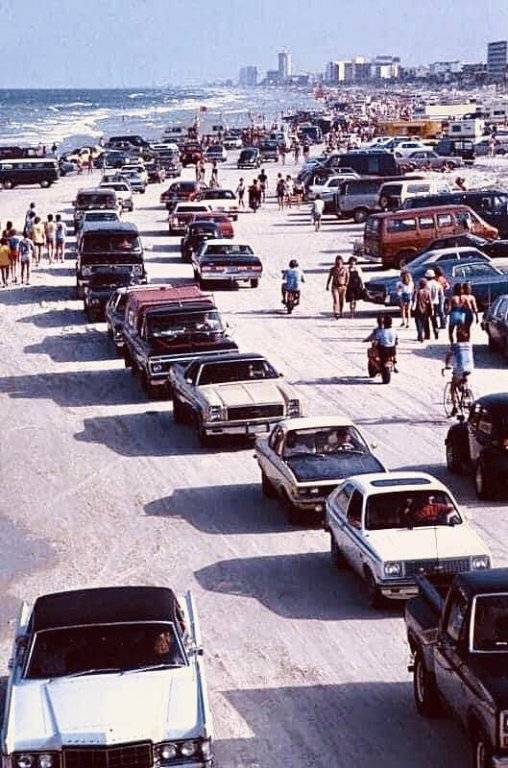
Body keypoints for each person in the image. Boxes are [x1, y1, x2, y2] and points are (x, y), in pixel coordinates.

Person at [444, 330, 474, 416]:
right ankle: (466, 390)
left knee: (453, 388)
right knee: (464, 375)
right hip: (470, 367)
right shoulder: (470, 345)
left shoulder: (455, 346)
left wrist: (447, 365)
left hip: (460, 368)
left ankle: (455, 408)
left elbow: (449, 356)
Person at [425, 268, 444, 340]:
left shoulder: (426, 284)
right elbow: (441, 294)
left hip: (428, 303)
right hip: (436, 302)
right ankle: (436, 334)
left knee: (426, 319)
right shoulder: (437, 284)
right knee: (434, 319)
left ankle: (427, 335)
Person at [412, 277, 432, 342]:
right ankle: (421, 334)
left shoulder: (417, 291)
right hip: (425, 309)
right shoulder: (428, 292)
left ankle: (420, 335)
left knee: (418, 323)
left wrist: (413, 307)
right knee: (423, 323)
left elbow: (415, 300)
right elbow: (430, 301)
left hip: (418, 309)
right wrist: (432, 309)